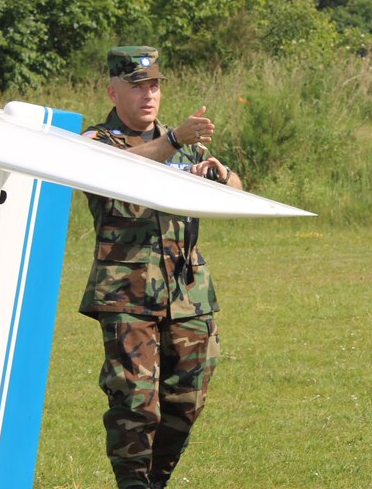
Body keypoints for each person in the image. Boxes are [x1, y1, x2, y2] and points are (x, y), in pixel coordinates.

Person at [79, 46, 242, 489]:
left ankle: (155, 482)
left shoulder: (178, 140)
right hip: (127, 293)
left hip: (187, 292)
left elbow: (239, 189)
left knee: (186, 399)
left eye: (153, 85)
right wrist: (173, 143)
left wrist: (218, 174)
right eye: (137, 86)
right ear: (113, 91)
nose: (148, 95)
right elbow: (112, 172)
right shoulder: (97, 142)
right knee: (135, 401)